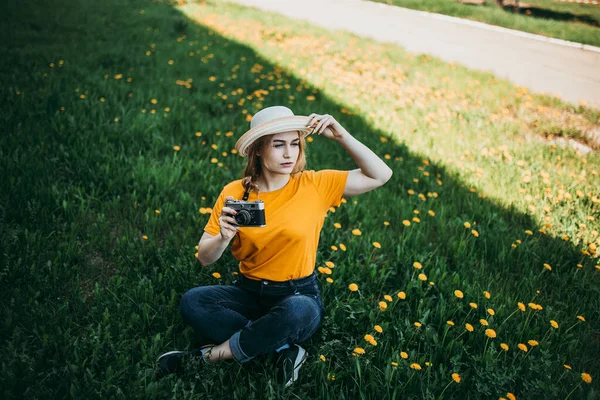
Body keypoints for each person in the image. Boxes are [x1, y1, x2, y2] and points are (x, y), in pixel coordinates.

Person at [156, 105, 393, 387]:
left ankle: (212, 355)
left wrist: (342, 135)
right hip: (249, 291)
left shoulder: (314, 185)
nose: (289, 154)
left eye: (295, 143)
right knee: (193, 302)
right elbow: (205, 258)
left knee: (298, 312)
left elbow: (380, 174)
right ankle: (281, 348)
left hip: (297, 293)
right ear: (257, 149)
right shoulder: (235, 192)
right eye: (278, 145)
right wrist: (223, 237)